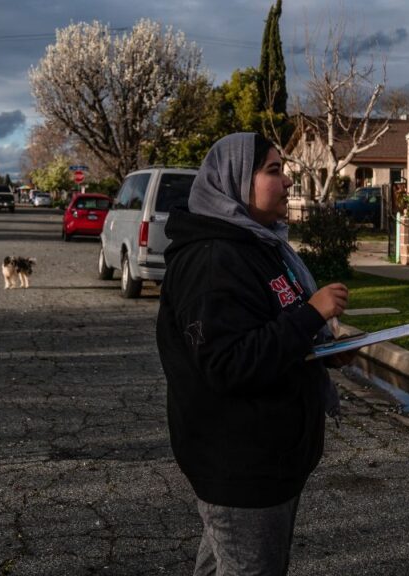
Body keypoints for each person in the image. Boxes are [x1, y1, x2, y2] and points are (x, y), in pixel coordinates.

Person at [156, 132, 349, 575]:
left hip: (268, 461)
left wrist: (323, 352)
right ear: (235, 178)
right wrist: (310, 315)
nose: (286, 183)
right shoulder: (212, 259)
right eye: (273, 171)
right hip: (241, 465)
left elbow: (268, 335)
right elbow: (228, 364)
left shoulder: (258, 246)